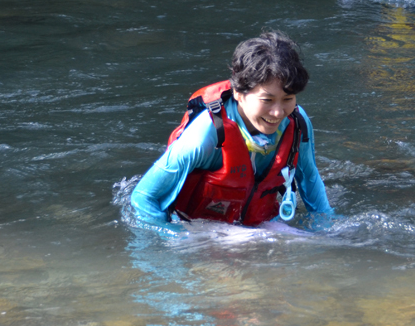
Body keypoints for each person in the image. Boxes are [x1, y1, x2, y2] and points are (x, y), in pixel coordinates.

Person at [130, 31, 336, 232]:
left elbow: (310, 179)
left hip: (259, 228)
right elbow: (143, 197)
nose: (278, 112)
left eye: (288, 99)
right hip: (195, 228)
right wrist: (178, 240)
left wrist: (327, 230)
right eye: (267, 100)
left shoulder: (298, 123)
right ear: (238, 92)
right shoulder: (206, 136)